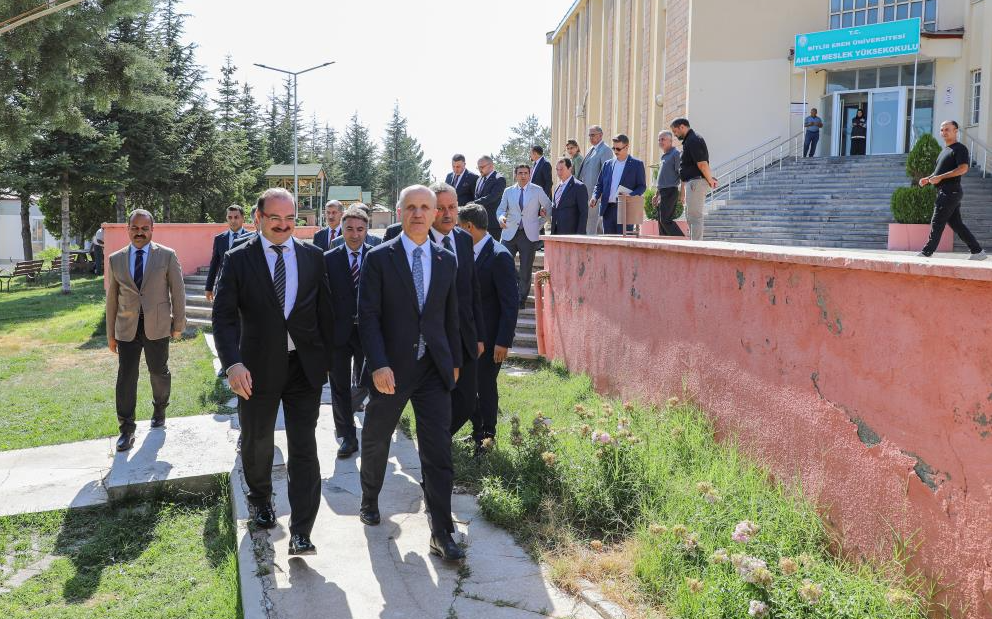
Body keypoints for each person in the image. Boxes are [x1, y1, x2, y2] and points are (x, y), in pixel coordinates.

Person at [212, 187, 334, 556]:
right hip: (256, 369)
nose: (283, 225)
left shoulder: (313, 257)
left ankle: (302, 530)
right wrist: (233, 364)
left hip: (303, 369)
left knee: (304, 446)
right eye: (275, 218)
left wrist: (327, 361)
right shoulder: (238, 259)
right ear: (259, 218)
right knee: (257, 440)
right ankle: (261, 498)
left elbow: (325, 313)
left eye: (290, 218)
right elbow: (224, 318)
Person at [357, 185, 464, 562]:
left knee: (438, 449)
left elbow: (450, 315)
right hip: (391, 368)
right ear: (400, 212)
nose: (418, 214)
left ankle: (442, 532)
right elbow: (368, 315)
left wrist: (454, 360)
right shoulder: (379, 258)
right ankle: (370, 498)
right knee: (376, 438)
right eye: (411, 207)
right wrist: (378, 363)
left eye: (425, 207)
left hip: (433, 368)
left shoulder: (446, 259)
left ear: (435, 214)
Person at [105, 209, 185, 452]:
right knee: (126, 377)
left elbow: (178, 291)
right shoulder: (115, 259)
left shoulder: (167, 255)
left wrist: (178, 324)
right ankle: (126, 429)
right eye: (135, 228)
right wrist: (110, 334)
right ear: (128, 229)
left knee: (158, 372)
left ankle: (160, 409)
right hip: (126, 328)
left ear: (152, 229)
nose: (139, 233)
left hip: (158, 325)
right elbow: (112, 299)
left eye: (144, 228)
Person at [456, 204, 518, 447]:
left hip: (492, 340)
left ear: (469, 226)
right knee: (468, 387)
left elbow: (510, 304)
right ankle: (477, 429)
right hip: (469, 336)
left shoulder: (499, 255)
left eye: (459, 227)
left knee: (485, 387)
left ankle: (487, 437)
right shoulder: (465, 251)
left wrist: (503, 341)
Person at [428, 182, 485, 438]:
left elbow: (473, 289)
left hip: (464, 335)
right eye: (440, 208)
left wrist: (479, 335)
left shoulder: (463, 239)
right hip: (433, 338)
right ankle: (435, 448)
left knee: (466, 401)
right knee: (436, 398)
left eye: (452, 207)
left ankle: (437, 440)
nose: (448, 214)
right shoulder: (419, 240)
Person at [323, 207, 372, 458]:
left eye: (360, 229)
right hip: (338, 333)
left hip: (368, 332)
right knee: (339, 386)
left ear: (367, 230)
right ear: (342, 229)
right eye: (350, 229)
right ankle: (347, 437)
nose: (355, 235)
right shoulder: (328, 259)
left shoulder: (377, 256)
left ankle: (373, 433)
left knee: (369, 381)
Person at [918, 120, 988, 260]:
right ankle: (977, 251)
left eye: (947, 129)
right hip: (947, 191)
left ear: (956, 131)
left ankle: (926, 252)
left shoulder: (960, 149)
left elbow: (963, 168)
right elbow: (938, 172)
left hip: (950, 191)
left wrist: (940, 177)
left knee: (937, 221)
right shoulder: (944, 150)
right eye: (942, 130)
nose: (944, 132)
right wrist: (928, 178)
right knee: (957, 224)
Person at [497, 164, 551, 309]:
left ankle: (521, 299)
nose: (523, 175)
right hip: (509, 233)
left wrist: (539, 224)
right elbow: (501, 210)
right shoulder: (508, 191)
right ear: (515, 175)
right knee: (503, 263)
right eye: (520, 173)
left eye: (526, 173)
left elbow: (549, 207)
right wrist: (501, 218)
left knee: (526, 269)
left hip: (528, 235)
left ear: (530, 174)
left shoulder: (537, 190)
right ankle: (510, 292)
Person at [670, 118, 718, 240]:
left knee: (695, 217)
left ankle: (697, 246)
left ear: (682, 127)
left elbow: (702, 164)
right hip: (693, 183)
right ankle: (694, 244)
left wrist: (710, 180)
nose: (675, 135)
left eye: (675, 131)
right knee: (691, 217)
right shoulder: (689, 140)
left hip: (696, 182)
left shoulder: (693, 139)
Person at [590, 134, 646, 235]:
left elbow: (642, 186)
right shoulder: (607, 164)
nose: (615, 151)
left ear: (627, 147)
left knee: (624, 241)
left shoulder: (637, 164)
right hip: (607, 209)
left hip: (625, 209)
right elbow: (599, 185)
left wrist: (630, 195)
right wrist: (594, 197)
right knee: (609, 241)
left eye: (618, 149)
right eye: (614, 148)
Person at [205, 205, 247, 303]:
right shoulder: (219, 239)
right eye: (230, 217)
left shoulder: (252, 238)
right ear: (226, 218)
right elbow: (214, 264)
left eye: (236, 217)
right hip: (224, 287)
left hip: (245, 288)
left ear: (243, 218)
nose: (233, 220)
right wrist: (209, 287)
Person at [576, 125, 612, 235]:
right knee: (587, 221)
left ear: (600, 135)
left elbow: (607, 174)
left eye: (593, 135)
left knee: (593, 222)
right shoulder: (591, 149)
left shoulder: (605, 150)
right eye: (589, 135)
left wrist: (600, 193)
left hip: (595, 194)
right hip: (585, 192)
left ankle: (592, 242)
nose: (590, 138)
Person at [652, 131, 686, 237]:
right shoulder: (663, 156)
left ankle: (682, 241)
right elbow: (662, 177)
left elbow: (682, 174)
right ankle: (664, 243)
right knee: (661, 222)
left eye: (663, 139)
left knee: (665, 220)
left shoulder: (676, 154)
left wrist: (682, 193)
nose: (660, 142)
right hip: (662, 192)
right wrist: (657, 194)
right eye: (659, 140)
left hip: (670, 191)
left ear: (670, 141)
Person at [550, 158, 588, 235]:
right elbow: (557, 208)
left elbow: (583, 213)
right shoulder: (557, 187)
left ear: (570, 169)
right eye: (557, 169)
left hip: (571, 234)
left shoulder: (579, 187)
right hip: (556, 233)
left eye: (561, 169)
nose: (559, 172)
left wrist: (580, 235)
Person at [473, 155, 507, 237]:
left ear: (491, 166)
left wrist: (473, 203)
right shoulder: (479, 179)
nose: (480, 169)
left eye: (482, 167)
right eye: (478, 167)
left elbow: (492, 197)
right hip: (479, 222)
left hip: (493, 224)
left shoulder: (499, 179)